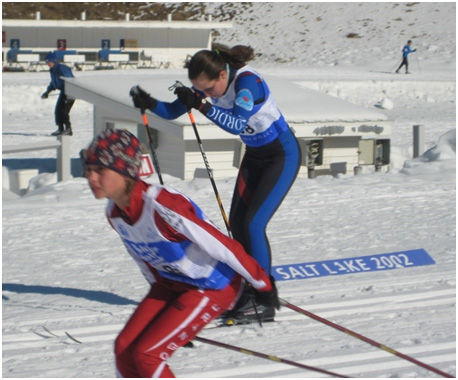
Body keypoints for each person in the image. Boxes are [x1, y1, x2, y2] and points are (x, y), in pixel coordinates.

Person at [82, 127, 279, 377]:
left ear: (125, 171)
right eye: (88, 170)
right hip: (172, 284)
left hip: (212, 285)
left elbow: (223, 246)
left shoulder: (163, 205)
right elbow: (144, 259)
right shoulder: (115, 213)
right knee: (124, 348)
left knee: (147, 355)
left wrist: (262, 283)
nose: (91, 178)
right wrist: (168, 322)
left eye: (100, 170)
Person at [130, 43, 301, 323]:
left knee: (253, 224)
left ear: (223, 76)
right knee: (237, 225)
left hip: (281, 155)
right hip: (256, 155)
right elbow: (174, 111)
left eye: (209, 89)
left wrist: (201, 104)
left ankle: (264, 297)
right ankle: (247, 288)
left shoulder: (248, 83)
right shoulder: (210, 84)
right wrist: (149, 103)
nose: (205, 94)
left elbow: (235, 124)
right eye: (200, 90)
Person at [41, 52, 75, 136]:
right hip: (63, 92)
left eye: (49, 62)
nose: (48, 64)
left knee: (64, 111)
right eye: (47, 62)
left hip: (70, 92)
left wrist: (69, 92)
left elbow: (70, 79)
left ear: (54, 61)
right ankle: (60, 129)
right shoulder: (53, 70)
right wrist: (47, 92)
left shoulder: (62, 68)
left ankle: (68, 129)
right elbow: (53, 83)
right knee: (57, 111)